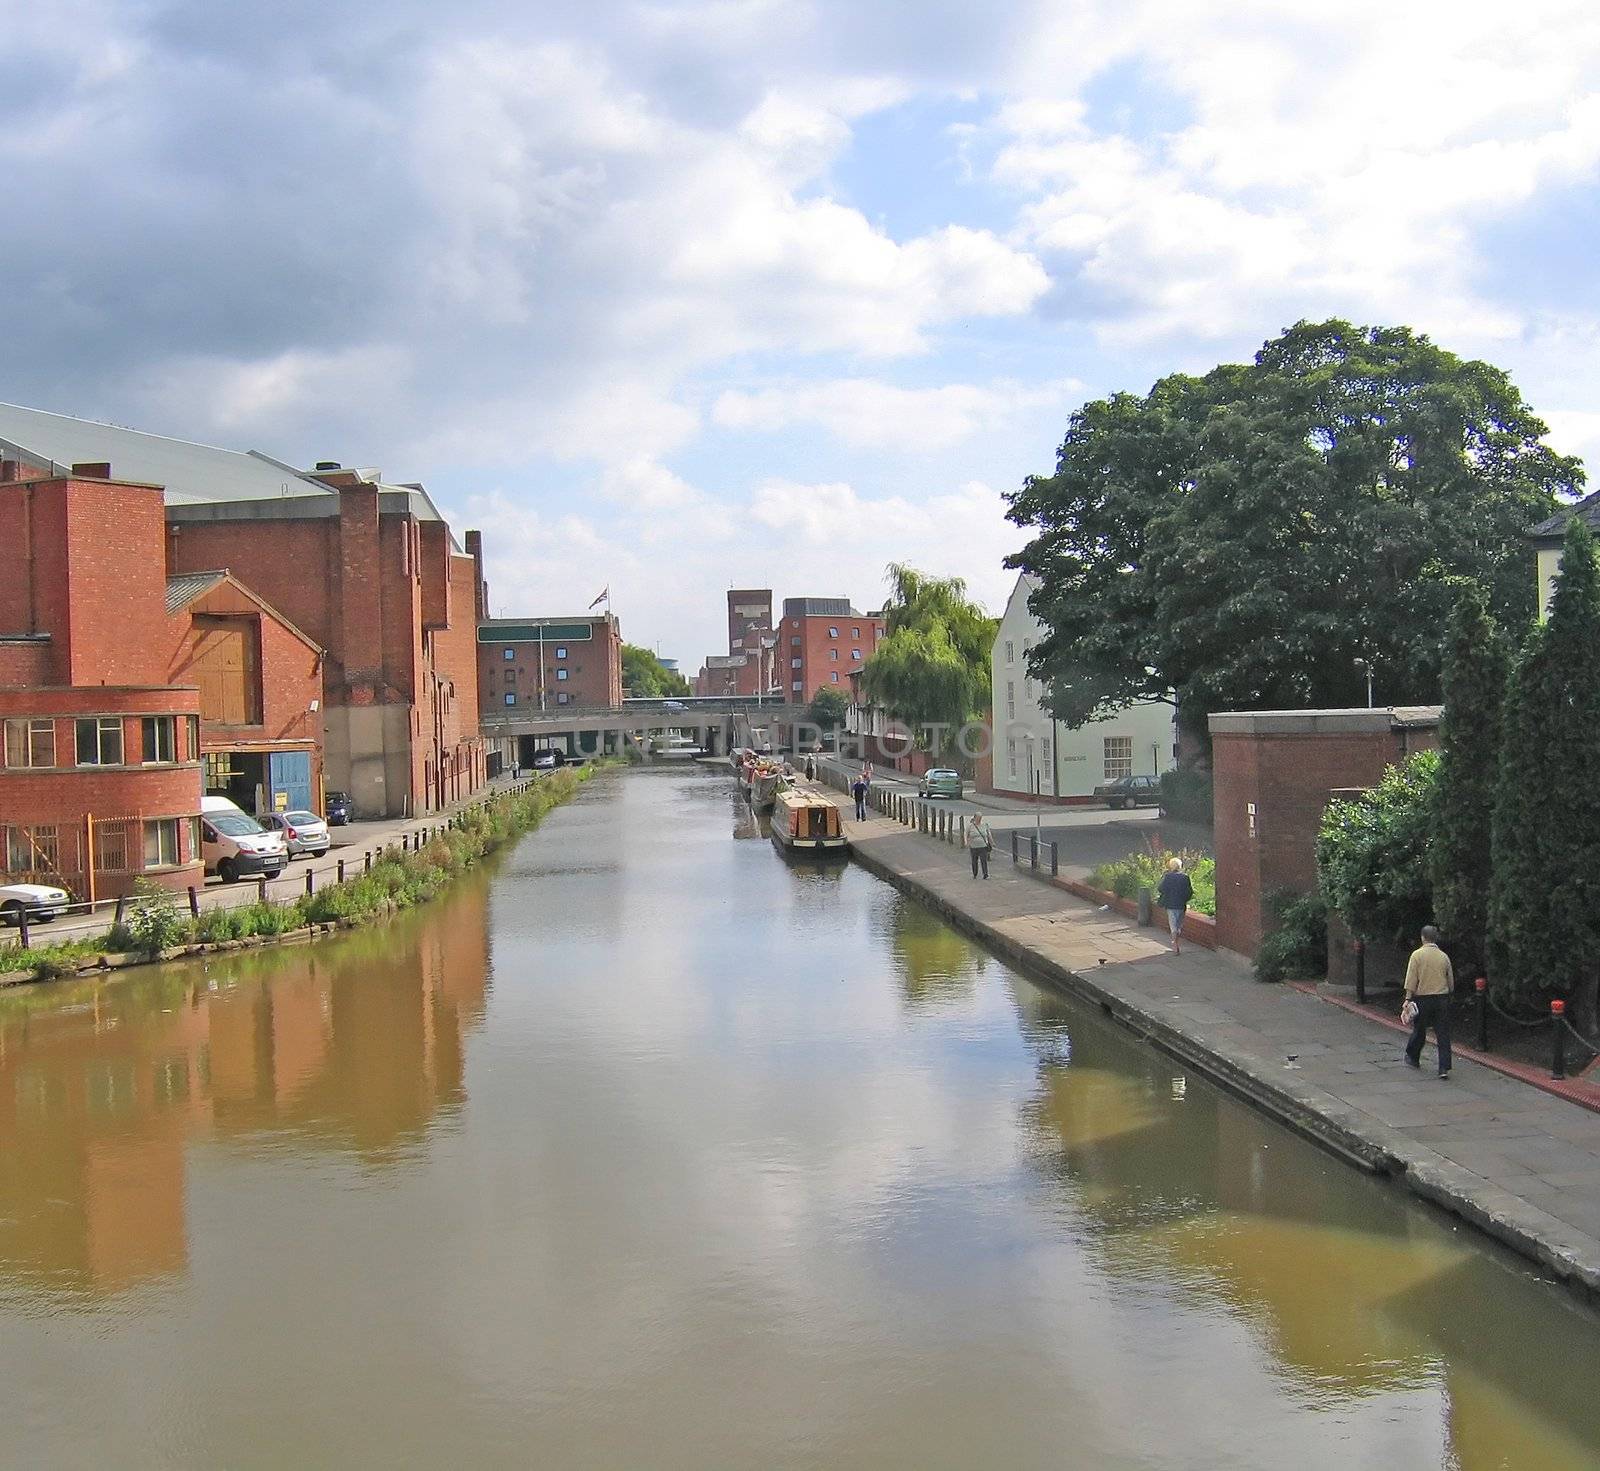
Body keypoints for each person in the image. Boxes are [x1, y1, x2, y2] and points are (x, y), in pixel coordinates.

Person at [1403, 924, 1454, 1078]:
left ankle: (1413, 1056)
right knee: (1443, 1033)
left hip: (1423, 999)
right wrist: (1449, 992)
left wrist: (1408, 998)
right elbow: (1450, 980)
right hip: (1441, 998)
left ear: (1423, 938)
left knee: (1419, 1029)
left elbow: (1411, 979)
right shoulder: (1443, 956)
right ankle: (1443, 1068)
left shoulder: (1417, 955)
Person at [1156, 856, 1193, 954]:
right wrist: (1184, 899)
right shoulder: (1185, 877)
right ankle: (1176, 942)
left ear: (1171, 866)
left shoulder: (1168, 877)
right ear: (1180, 866)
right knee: (1179, 925)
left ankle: (1175, 945)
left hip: (1171, 905)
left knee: (1173, 926)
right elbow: (1189, 892)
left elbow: (1161, 889)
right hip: (1181, 905)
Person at [966, 812, 994, 879]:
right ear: (975, 818)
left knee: (983, 860)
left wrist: (992, 842)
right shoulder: (970, 826)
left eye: (980, 818)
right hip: (973, 846)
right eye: (978, 818)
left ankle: (985, 874)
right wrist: (966, 842)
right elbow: (966, 834)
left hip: (983, 846)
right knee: (974, 861)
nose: (979, 819)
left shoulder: (985, 825)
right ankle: (975, 874)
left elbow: (988, 834)